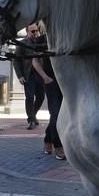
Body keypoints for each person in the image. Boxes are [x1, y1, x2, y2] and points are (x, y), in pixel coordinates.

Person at [31, 25, 65, 160]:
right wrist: (45, 77)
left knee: (62, 114)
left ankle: (47, 140)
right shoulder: (41, 41)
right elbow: (35, 61)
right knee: (56, 113)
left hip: (66, 81)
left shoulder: (65, 38)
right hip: (51, 81)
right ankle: (58, 146)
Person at [12, 24, 46, 130]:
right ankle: (31, 120)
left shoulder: (42, 42)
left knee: (41, 97)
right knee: (30, 97)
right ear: (27, 31)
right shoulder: (22, 43)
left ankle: (33, 114)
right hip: (29, 75)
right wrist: (20, 75)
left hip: (41, 74)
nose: (35, 33)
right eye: (32, 31)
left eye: (36, 31)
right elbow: (16, 60)